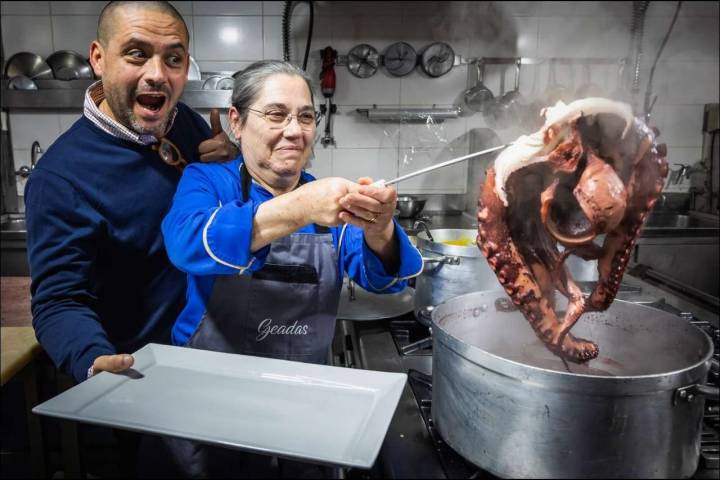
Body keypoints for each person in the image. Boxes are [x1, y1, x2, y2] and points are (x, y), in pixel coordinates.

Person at [154, 60, 423, 477]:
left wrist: (380, 226)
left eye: (306, 116)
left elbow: (382, 278)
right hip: (209, 407)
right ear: (236, 122)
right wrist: (299, 208)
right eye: (277, 115)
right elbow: (187, 241)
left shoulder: (326, 200)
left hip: (300, 406)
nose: (295, 131)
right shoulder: (207, 181)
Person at [24, 0, 238, 386]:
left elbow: (217, 223)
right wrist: (92, 359)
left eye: (173, 59)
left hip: (218, 354)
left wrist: (233, 168)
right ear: (99, 58)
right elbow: (59, 300)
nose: (156, 74)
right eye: (137, 54)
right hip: (145, 377)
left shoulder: (188, 125)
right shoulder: (59, 177)